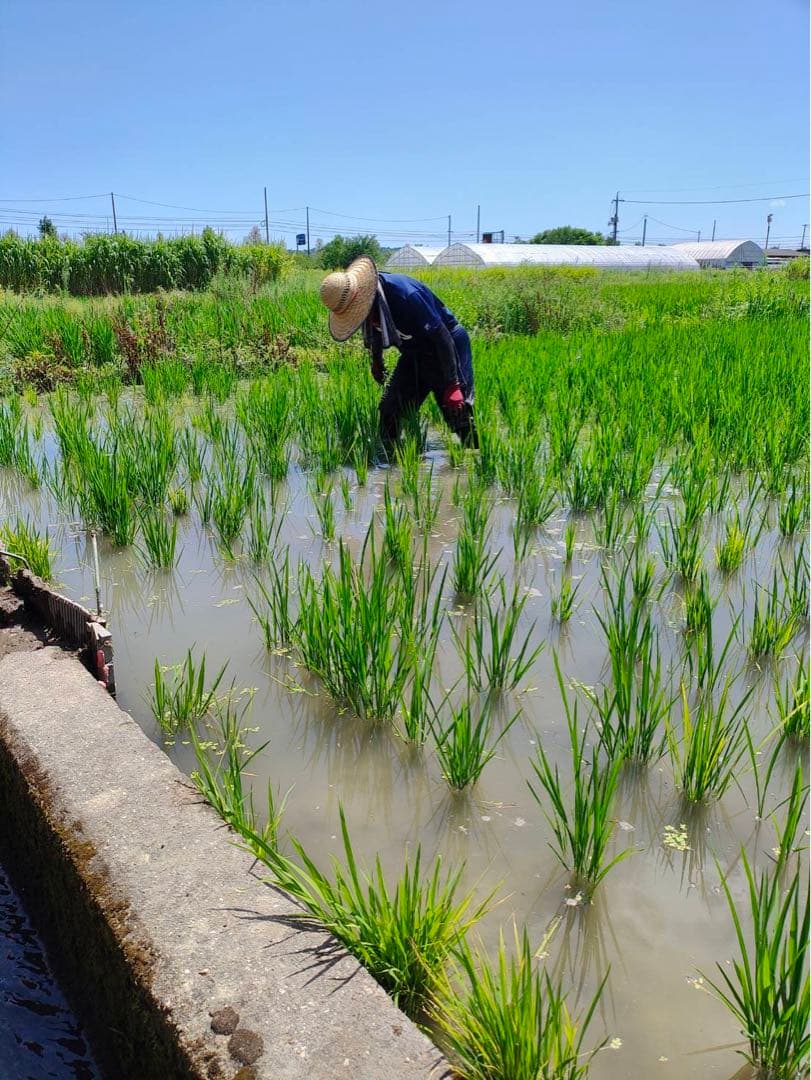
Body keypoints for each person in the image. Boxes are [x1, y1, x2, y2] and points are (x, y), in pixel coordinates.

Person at [319, 255, 477, 448]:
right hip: (414, 351)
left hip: (446, 346)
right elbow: (374, 333)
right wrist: (377, 361)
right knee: (389, 410)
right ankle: (390, 465)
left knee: (457, 411)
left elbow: (441, 336)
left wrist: (453, 385)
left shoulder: (405, 296)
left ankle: (472, 462)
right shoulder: (369, 308)